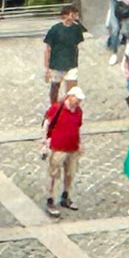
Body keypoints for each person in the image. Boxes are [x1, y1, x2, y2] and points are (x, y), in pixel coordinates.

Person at [43, 86, 85, 217]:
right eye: (77, 99)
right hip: (58, 147)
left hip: (72, 147)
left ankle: (65, 196)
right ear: (70, 97)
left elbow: (78, 127)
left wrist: (80, 144)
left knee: (70, 173)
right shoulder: (57, 108)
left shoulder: (78, 111)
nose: (78, 103)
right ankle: (50, 198)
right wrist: (44, 142)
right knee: (54, 173)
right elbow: (47, 124)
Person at [41, 5, 86, 106]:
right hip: (57, 64)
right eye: (73, 14)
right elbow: (48, 49)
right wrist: (47, 68)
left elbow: (78, 44)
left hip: (71, 63)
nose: (75, 16)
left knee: (72, 90)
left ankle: (69, 108)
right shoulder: (55, 30)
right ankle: (54, 108)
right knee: (55, 87)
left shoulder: (76, 28)